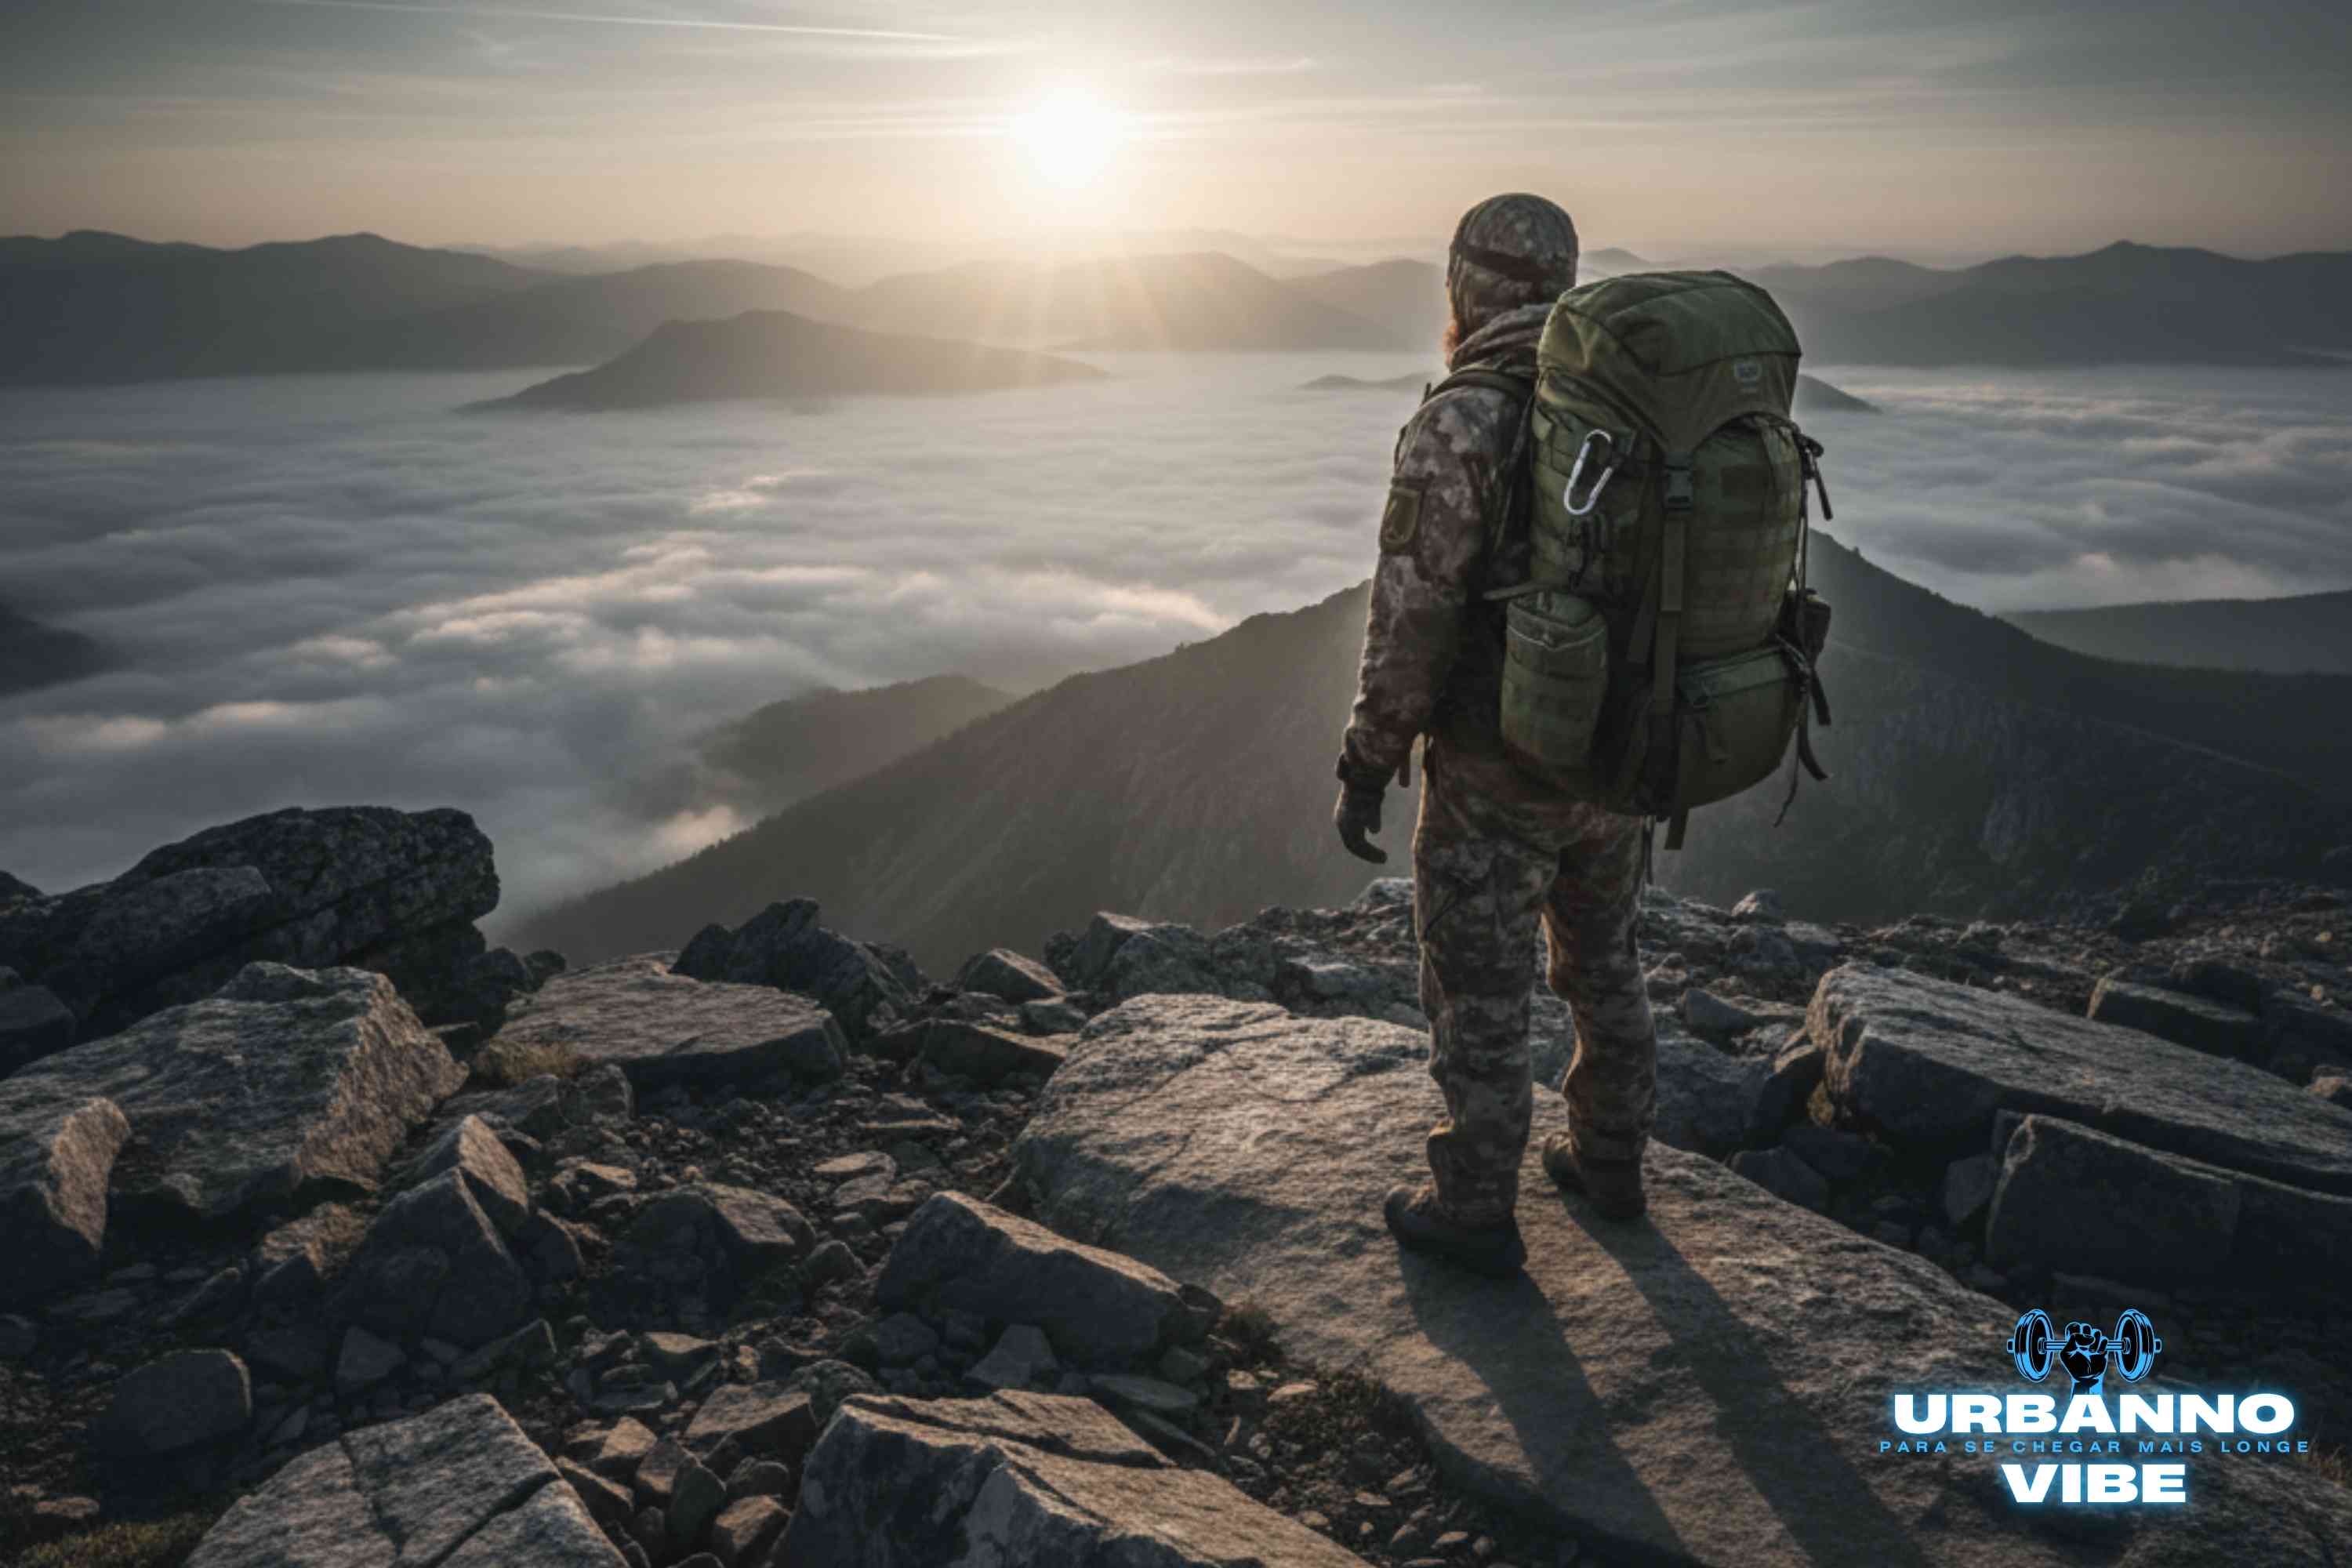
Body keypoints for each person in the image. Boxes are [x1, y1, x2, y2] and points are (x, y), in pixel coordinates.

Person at [1333, 192, 1657, 1279]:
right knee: (1605, 967)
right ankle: (1611, 1164)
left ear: (1467, 284)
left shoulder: (1461, 421)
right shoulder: (1626, 404)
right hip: (1616, 760)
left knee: (1480, 991)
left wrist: (1368, 760)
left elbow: (1413, 612)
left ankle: (1475, 1207)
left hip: (1492, 767)